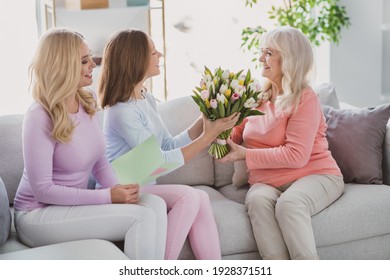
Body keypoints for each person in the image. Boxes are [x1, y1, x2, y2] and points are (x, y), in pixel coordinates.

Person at [13, 28, 168, 260]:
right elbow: (42, 190)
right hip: (37, 214)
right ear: (63, 65)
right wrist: (108, 197)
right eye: (84, 61)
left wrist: (119, 190)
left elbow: (99, 160)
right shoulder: (39, 115)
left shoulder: (87, 100)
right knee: (141, 217)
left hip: (71, 207)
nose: (94, 65)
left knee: (155, 204)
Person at [98, 29, 240, 260]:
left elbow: (166, 144)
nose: (160, 55)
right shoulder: (120, 112)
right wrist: (207, 137)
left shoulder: (145, 98)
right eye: (154, 52)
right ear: (135, 60)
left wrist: (203, 121)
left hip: (143, 185)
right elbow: (158, 161)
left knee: (201, 197)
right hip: (124, 191)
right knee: (190, 196)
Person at [219, 26, 345, 260]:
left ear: (289, 59)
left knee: (290, 204)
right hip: (266, 181)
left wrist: (244, 155)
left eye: (268, 53)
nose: (260, 59)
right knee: (256, 200)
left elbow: (296, 155)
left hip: (315, 175)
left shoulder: (305, 97)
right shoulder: (256, 97)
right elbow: (235, 137)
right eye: (262, 52)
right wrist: (220, 124)